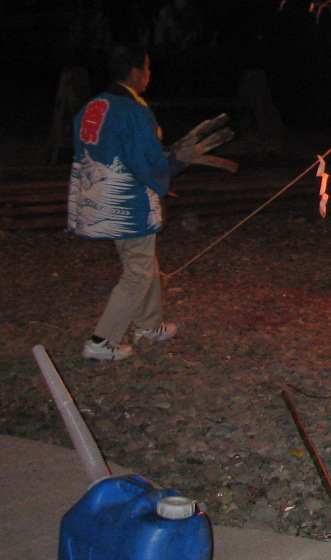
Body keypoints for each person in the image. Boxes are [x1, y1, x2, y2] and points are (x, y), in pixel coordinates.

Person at [67, 45, 233, 360]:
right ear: (134, 72)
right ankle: (101, 341)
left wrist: (157, 177)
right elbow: (148, 160)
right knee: (138, 271)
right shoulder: (132, 111)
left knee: (142, 262)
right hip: (126, 202)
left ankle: (149, 324)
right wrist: (173, 167)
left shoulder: (92, 106)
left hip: (96, 196)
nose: (148, 75)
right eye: (146, 69)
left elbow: (106, 152)